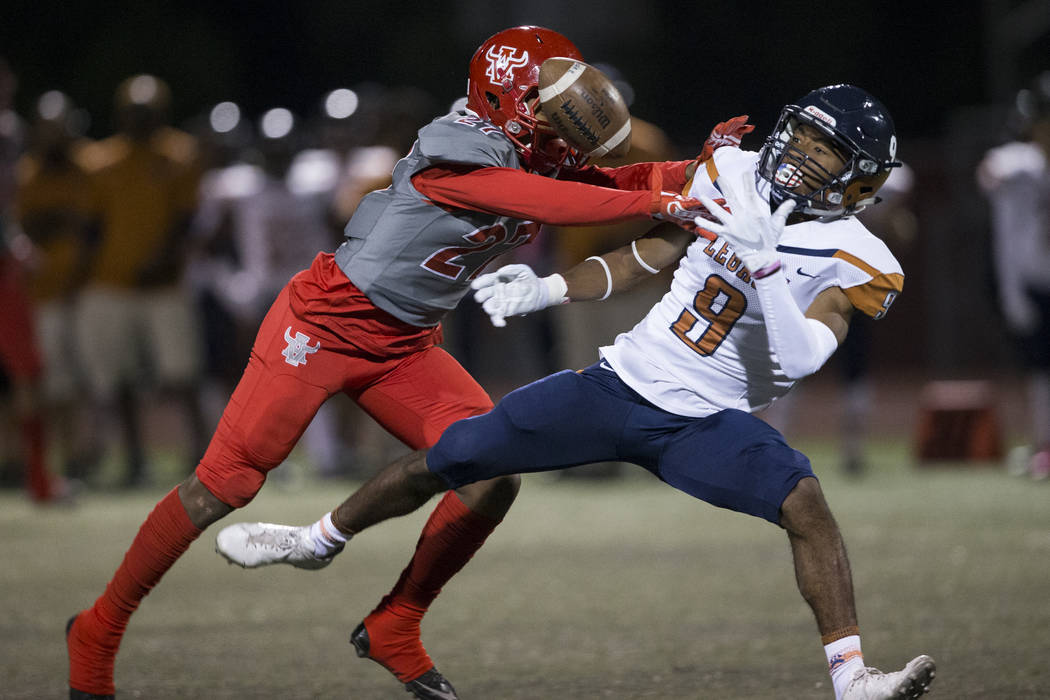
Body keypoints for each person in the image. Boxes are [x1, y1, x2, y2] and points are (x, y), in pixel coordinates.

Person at [217, 85, 937, 700]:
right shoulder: (731, 173)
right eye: (803, 139)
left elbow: (805, 353)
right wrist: (547, 288)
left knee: (804, 502)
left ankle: (851, 680)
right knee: (455, 453)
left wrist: (767, 268)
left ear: (861, 183)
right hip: (620, 382)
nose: (802, 158)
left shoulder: (862, 257)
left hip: (707, 421)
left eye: (826, 153)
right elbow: (648, 253)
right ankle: (317, 541)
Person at [65, 26, 714, 700]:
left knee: (489, 474)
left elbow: (611, 177)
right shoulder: (459, 147)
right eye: (547, 107)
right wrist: (660, 201)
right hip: (325, 323)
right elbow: (546, 202)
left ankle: (395, 624)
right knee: (224, 485)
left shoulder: (529, 147)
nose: (560, 122)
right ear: (506, 103)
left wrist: (703, 170)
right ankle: (98, 630)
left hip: (404, 344)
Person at [75, 74, 206, 487]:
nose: (139, 119)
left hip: (164, 283)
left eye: (146, 112)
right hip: (111, 284)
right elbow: (92, 226)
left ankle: (204, 457)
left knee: (183, 374)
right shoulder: (100, 161)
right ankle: (134, 459)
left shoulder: (179, 154)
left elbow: (186, 220)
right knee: (119, 378)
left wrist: (163, 261)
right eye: (133, 112)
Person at [976, 70, 1050, 479]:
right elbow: (991, 171)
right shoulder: (1021, 164)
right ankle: (1045, 445)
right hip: (1037, 279)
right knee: (1040, 370)